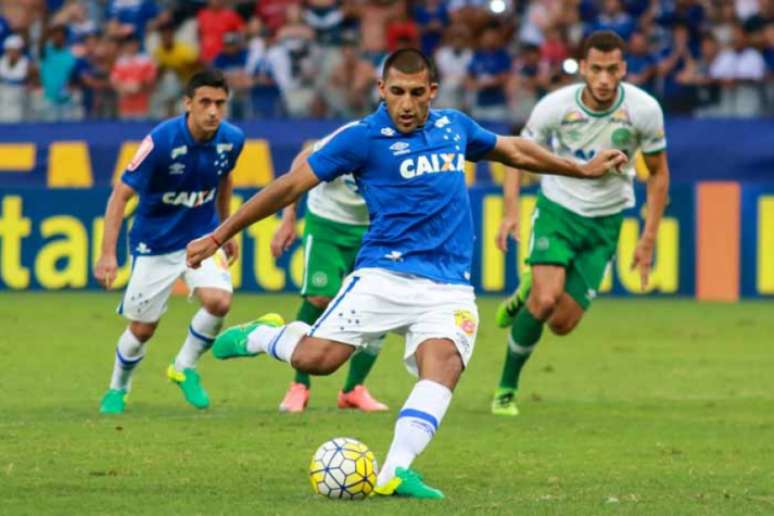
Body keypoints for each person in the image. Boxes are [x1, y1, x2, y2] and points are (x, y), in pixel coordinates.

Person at [186, 48, 625, 499]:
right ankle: (264, 335)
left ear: (432, 91)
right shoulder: (361, 138)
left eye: (417, 93)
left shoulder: (454, 126)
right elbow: (290, 185)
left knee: (444, 367)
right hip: (383, 276)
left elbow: (512, 149)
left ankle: (395, 470)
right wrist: (219, 236)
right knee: (316, 361)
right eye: (397, 92)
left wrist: (582, 169)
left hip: (449, 285)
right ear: (382, 90)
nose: (408, 104)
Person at [492, 30, 671, 416]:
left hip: (605, 222)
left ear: (623, 68)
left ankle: (527, 287)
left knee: (561, 323)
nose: (605, 79)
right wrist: (510, 212)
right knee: (545, 300)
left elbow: (658, 174)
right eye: (597, 70)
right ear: (583, 69)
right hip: (558, 209)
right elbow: (515, 155)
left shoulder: (644, 110)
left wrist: (648, 236)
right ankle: (506, 389)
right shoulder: (555, 106)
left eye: (612, 70)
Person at [95, 70, 245, 415]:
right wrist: (107, 254)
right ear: (187, 103)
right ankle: (118, 388)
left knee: (220, 302)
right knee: (143, 328)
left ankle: (184, 366)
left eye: (220, 104)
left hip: (201, 238)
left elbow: (224, 179)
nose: (213, 111)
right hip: (155, 243)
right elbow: (121, 195)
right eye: (205, 102)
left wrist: (225, 230)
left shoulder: (232, 139)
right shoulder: (162, 140)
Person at [269, 146, 387, 414]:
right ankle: (299, 385)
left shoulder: (404, 148)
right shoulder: (352, 137)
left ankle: (353, 389)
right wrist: (288, 218)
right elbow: (302, 159)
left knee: (382, 301)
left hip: (373, 229)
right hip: (328, 224)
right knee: (319, 298)